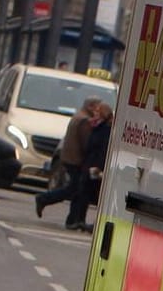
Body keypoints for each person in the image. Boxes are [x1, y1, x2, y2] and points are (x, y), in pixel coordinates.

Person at [34, 95, 101, 222]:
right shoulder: (85, 120)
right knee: (74, 188)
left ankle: (72, 219)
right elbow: (86, 143)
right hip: (76, 160)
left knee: (76, 189)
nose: (98, 110)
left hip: (69, 158)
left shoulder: (78, 116)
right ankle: (44, 199)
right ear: (90, 106)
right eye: (97, 107)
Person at [66, 101, 113, 231]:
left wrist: (98, 166)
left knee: (94, 194)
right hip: (89, 164)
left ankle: (90, 222)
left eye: (98, 111)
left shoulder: (106, 129)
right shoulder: (95, 126)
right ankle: (79, 220)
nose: (95, 113)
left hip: (95, 166)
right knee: (83, 193)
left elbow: (103, 149)